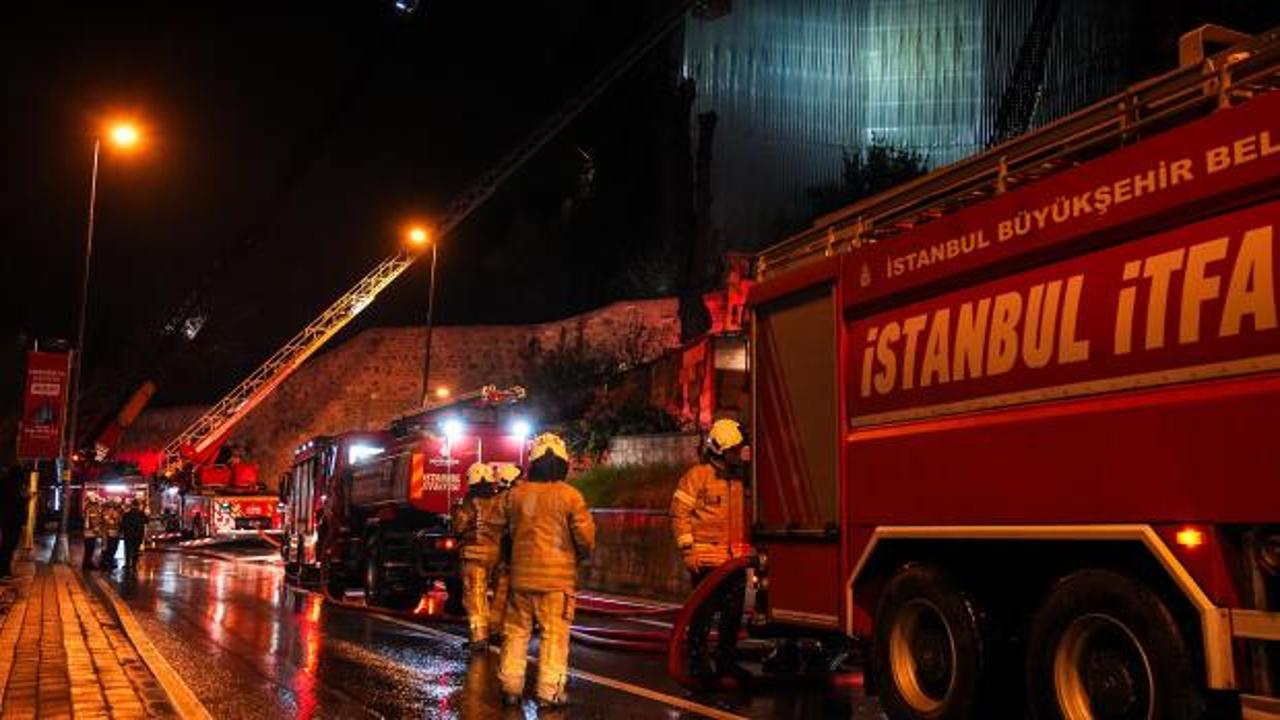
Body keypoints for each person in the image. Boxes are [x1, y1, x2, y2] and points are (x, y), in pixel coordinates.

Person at [497, 433, 595, 709]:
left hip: (521, 579)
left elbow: (506, 535)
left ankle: (510, 687)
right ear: (563, 463)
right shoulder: (571, 496)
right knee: (554, 636)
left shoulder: (515, 495)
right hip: (557, 583)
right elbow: (585, 538)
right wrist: (580, 557)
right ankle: (549, 693)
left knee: (516, 633)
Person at [670, 417, 753, 682]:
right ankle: (698, 664)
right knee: (702, 616)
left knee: (732, 616)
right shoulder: (697, 477)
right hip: (705, 561)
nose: (739, 454)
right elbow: (679, 514)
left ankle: (726, 662)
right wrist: (688, 550)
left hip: (734, 561)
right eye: (734, 450)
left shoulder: (740, 478)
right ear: (720, 450)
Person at [451, 462, 504, 651]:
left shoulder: (467, 502)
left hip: (474, 553)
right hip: (498, 554)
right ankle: (497, 631)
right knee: (500, 594)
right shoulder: (501, 501)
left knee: (475, 595)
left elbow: (459, 527)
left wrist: (454, 514)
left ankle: (479, 636)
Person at [487, 461, 521, 638]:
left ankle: (496, 628)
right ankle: (497, 629)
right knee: (504, 595)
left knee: (501, 594)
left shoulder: (498, 499)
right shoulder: (510, 499)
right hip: (509, 556)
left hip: (503, 555)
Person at [0, 465, 27, 580]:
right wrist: (26, 499)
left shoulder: (6, 483)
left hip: (8, 520)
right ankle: (3, 571)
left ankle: (5, 570)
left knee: (7, 545)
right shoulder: (12, 486)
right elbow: (15, 503)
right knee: (8, 545)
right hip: (12, 520)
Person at [120, 499, 148, 572]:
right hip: (138, 535)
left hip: (128, 535)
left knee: (128, 550)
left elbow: (123, 524)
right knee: (136, 550)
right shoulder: (141, 514)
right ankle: (134, 564)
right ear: (138, 505)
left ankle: (127, 564)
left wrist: (122, 532)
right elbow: (147, 521)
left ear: (132, 505)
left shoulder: (126, 514)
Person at [101, 499, 123, 571]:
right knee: (111, 548)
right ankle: (107, 562)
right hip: (110, 533)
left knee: (109, 548)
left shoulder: (107, 512)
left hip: (111, 533)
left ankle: (107, 562)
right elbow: (111, 522)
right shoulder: (108, 513)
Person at [82, 497, 101, 570]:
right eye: (97, 502)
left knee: (89, 549)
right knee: (90, 549)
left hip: (88, 533)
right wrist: (96, 529)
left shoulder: (88, 508)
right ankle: (87, 564)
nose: (98, 504)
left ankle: (87, 563)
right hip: (90, 533)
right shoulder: (92, 509)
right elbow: (93, 521)